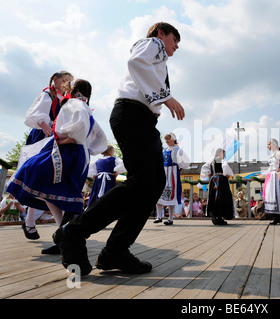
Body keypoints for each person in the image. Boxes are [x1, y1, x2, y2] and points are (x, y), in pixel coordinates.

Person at [52, 22, 185, 276]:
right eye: (174, 39)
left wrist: (162, 98)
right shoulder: (153, 44)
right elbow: (135, 62)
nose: (176, 46)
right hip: (133, 115)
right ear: (161, 34)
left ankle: (116, 249)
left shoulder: (158, 55)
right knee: (142, 183)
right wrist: (167, 98)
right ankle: (76, 230)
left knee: (153, 184)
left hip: (139, 118)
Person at [7, 79, 107, 255]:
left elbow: (81, 129)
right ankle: (64, 236)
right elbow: (100, 140)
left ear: (74, 89)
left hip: (68, 150)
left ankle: (62, 233)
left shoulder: (74, 103)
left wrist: (66, 139)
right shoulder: (84, 106)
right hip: (80, 153)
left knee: (33, 171)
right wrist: (84, 145)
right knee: (58, 191)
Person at [19, 71, 74, 240]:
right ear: (55, 79)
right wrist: (43, 124)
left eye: (68, 82)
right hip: (43, 136)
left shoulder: (65, 98)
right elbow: (35, 114)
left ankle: (31, 222)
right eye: (64, 80)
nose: (66, 83)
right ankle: (57, 227)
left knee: (46, 180)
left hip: (55, 138)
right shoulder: (48, 94)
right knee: (40, 178)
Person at [154, 133, 190, 225]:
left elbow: (186, 162)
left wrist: (179, 168)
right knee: (158, 195)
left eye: (168, 139)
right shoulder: (164, 150)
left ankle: (170, 218)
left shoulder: (177, 150)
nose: (167, 141)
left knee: (171, 196)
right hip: (163, 173)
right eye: (166, 140)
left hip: (172, 173)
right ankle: (159, 216)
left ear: (173, 139)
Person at [200, 148, 234, 225]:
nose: (225, 156)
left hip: (214, 180)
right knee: (222, 198)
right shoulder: (222, 161)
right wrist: (227, 176)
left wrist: (210, 177)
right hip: (221, 180)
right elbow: (226, 170)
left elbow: (204, 168)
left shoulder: (212, 161)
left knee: (214, 198)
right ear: (220, 153)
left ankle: (215, 216)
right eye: (224, 154)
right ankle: (220, 217)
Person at [262, 139, 280, 225]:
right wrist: (262, 174)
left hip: (279, 175)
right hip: (272, 176)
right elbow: (270, 167)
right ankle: (277, 217)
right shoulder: (271, 155)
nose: (268, 146)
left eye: (269, 144)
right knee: (274, 196)